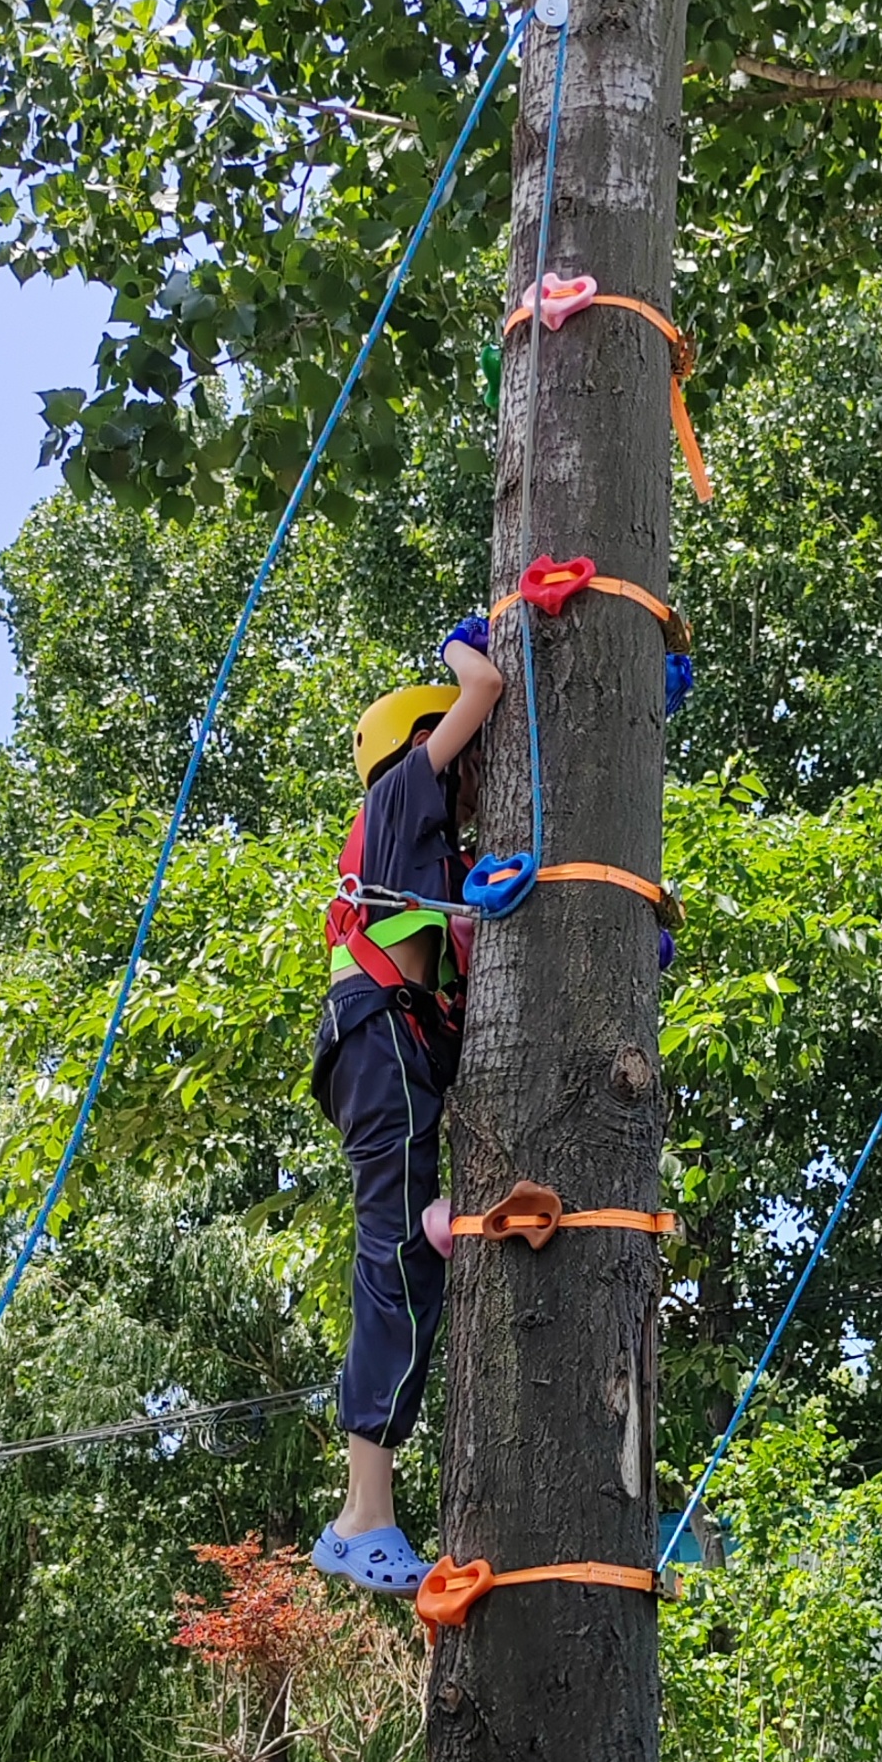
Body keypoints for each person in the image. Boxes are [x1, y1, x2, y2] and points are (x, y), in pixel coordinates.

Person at [310, 625, 505, 1597]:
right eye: (470, 757)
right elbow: (485, 685)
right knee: (389, 1258)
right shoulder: (397, 795)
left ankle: (369, 1510)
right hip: (376, 1032)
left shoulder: (431, 873)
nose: (479, 777)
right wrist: (464, 646)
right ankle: (360, 1519)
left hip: (401, 1046)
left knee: (413, 1269)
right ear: (429, 745)